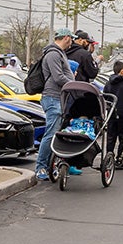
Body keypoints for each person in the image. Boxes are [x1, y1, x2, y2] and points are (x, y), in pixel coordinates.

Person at [34, 29, 76, 181]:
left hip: (58, 97)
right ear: (66, 38)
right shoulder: (53, 54)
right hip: (52, 97)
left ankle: (50, 166)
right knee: (51, 134)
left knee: (55, 133)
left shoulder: (59, 53)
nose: (72, 42)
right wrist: (74, 85)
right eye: (71, 39)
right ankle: (41, 167)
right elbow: (58, 77)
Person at [103, 60, 123, 167]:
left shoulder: (108, 83)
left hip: (111, 113)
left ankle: (109, 157)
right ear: (122, 71)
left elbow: (105, 97)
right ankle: (119, 159)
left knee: (111, 137)